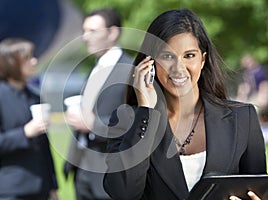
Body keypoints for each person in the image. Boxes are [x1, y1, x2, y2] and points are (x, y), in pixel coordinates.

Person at [103, 9, 267, 200]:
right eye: (167, 56)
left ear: (203, 60)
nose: (178, 68)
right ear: (150, 62)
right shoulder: (128, 119)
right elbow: (122, 193)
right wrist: (145, 112)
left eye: (189, 56)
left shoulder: (242, 118)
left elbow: (257, 191)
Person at [63, 8, 133, 200]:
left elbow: (136, 122)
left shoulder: (130, 71)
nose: (86, 37)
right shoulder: (96, 67)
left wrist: (93, 125)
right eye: (84, 31)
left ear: (113, 33)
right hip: (82, 167)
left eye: (93, 31)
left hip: (110, 170)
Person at [0, 38, 59, 200]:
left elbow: (45, 147)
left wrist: (52, 186)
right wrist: (25, 132)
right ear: (11, 63)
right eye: (28, 57)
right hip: (13, 189)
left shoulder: (35, 97)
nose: (34, 61)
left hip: (42, 188)